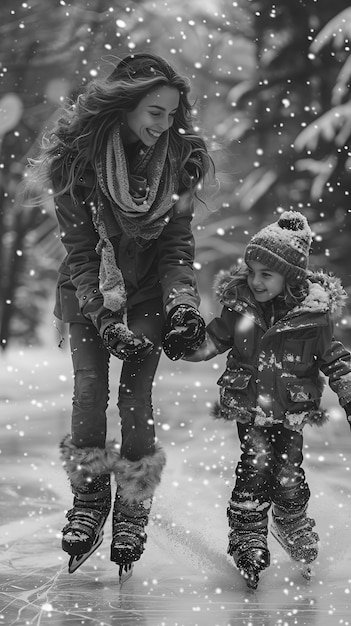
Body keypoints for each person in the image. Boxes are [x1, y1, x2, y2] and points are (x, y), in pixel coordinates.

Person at [28, 52, 213, 579]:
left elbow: (177, 246)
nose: (164, 124)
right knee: (90, 388)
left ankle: (132, 503)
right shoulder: (76, 161)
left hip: (150, 292)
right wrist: (106, 321)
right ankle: (89, 499)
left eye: (172, 114)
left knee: (136, 395)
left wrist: (182, 306)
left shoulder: (178, 161)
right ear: (126, 105)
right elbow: (82, 251)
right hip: (91, 291)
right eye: (155, 112)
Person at [184, 210, 351, 590]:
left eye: (266, 274)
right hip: (250, 405)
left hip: (292, 410)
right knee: (256, 463)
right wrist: (183, 344)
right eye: (252, 270)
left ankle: (291, 522)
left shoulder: (313, 317)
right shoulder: (241, 307)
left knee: (289, 471)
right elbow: (213, 341)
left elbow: (336, 360)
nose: (255, 281)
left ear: (290, 276)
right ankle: (247, 535)